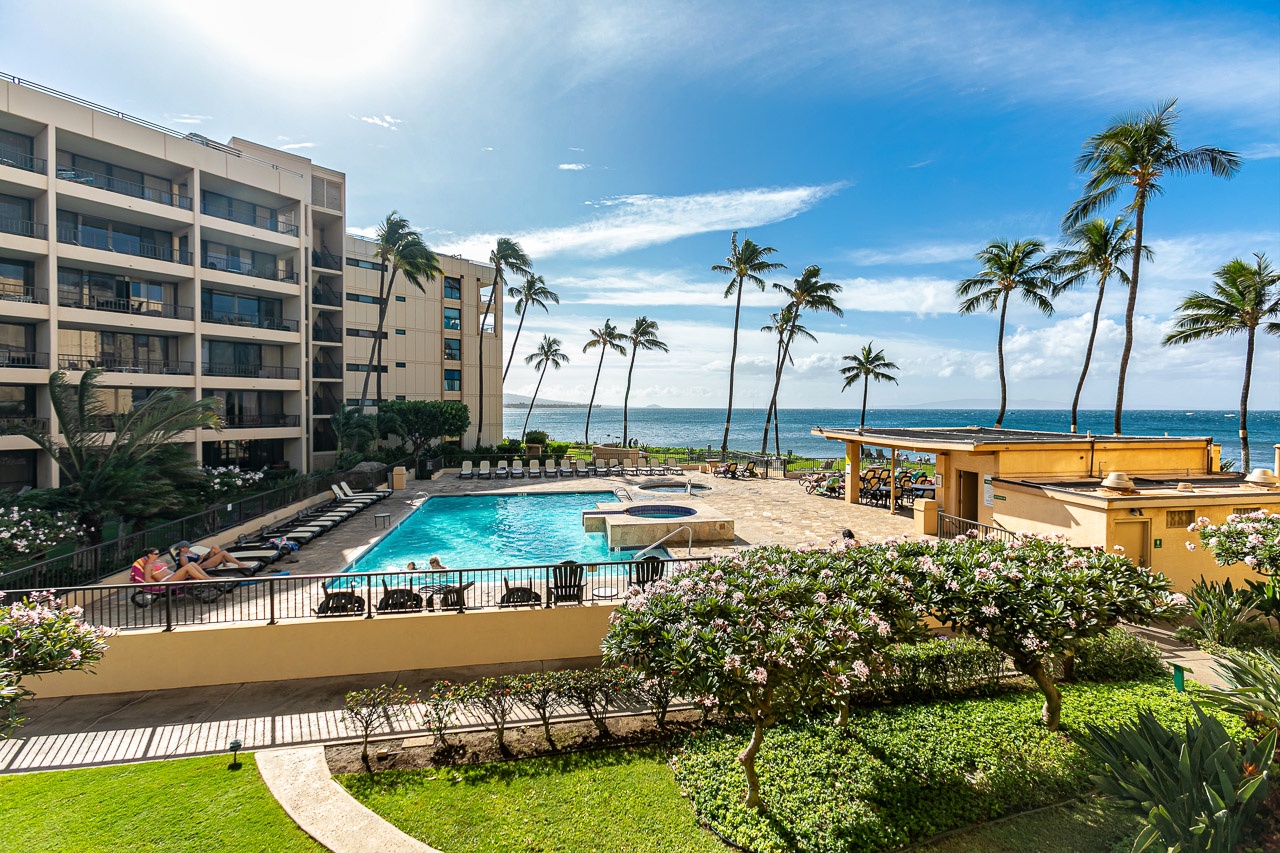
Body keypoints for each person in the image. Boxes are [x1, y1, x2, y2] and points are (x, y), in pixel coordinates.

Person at [132, 547, 214, 583]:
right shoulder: (148, 566)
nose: (158, 555)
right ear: (149, 555)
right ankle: (205, 579)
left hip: (173, 575)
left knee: (192, 563)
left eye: (158, 553)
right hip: (167, 581)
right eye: (156, 554)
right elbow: (148, 579)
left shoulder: (157, 561)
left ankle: (207, 577)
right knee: (188, 566)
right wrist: (158, 586)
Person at [174, 540, 248, 571]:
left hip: (204, 561)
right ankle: (239, 564)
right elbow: (189, 568)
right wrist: (200, 559)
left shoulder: (188, 552)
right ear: (182, 549)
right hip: (201, 566)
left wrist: (202, 557)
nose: (189, 549)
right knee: (223, 553)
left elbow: (197, 558)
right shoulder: (182, 557)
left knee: (215, 547)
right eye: (187, 548)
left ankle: (224, 563)